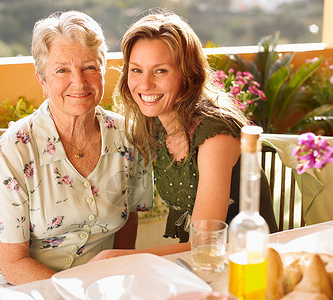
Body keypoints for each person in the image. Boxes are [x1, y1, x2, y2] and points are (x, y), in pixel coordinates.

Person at [0, 10, 153, 290]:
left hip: (96, 285)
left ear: (104, 69)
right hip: (20, 283)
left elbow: (128, 221)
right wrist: (77, 292)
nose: (79, 82)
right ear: (42, 81)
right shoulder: (14, 150)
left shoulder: (128, 137)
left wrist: (115, 281)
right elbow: (12, 262)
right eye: (62, 70)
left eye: (89, 67)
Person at [91, 10, 277, 261]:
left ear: (188, 75)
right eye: (136, 70)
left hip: (246, 263)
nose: (144, 85)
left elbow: (205, 243)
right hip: (198, 263)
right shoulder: (157, 126)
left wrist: (119, 257)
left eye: (160, 71)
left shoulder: (215, 137)